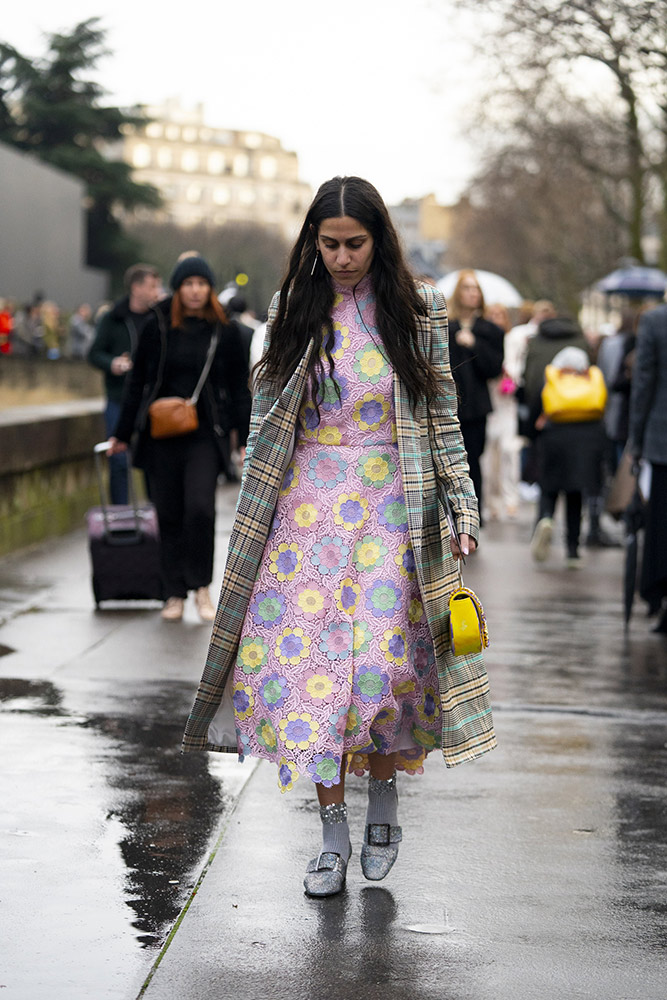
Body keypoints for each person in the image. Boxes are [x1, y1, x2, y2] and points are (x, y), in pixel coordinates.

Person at [181, 176, 496, 897]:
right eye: (329, 245)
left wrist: (461, 507)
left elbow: (442, 414)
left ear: (378, 240)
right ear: (312, 243)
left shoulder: (417, 309)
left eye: (355, 244)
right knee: (310, 671)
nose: (343, 258)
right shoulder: (294, 306)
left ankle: (382, 800)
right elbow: (267, 411)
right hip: (305, 511)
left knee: (381, 666)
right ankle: (330, 833)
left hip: (392, 502)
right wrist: (254, 492)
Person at [108, 255, 251, 623]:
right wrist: (122, 434)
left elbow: (238, 388)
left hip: (205, 435)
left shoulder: (226, 331)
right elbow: (137, 383)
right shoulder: (156, 325)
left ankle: (201, 587)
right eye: (188, 284)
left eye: (202, 284)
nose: (195, 291)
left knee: (200, 509)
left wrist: (244, 438)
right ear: (178, 287)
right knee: (168, 513)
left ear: (210, 289)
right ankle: (173, 592)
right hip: (160, 436)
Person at [88, 264, 161, 503]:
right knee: (118, 459)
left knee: (154, 461)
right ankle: (120, 515)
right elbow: (94, 353)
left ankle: (156, 516)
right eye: (152, 286)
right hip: (119, 398)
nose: (156, 291)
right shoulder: (113, 318)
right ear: (135, 287)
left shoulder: (159, 318)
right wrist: (113, 363)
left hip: (151, 403)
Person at [529, 346, 606, 568]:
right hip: (585, 441)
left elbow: (535, 410)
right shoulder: (590, 379)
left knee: (549, 489)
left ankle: (546, 518)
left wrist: (533, 434)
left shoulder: (552, 379)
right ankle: (572, 550)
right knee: (575, 496)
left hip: (555, 438)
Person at [446, 270, 504, 515]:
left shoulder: (490, 330)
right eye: (467, 288)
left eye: (476, 288)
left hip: (477, 406)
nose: (472, 293)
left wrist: (474, 345)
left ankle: (472, 514)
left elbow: (494, 369)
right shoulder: (446, 326)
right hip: (449, 405)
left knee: (473, 461)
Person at [628, 302, 667, 632]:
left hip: (662, 438)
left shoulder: (656, 321)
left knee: (661, 521)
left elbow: (644, 384)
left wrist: (636, 440)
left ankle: (659, 593)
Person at [482, 302, 521, 520]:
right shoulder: (485, 341)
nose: (496, 318)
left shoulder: (511, 340)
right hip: (491, 404)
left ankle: (511, 499)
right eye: (492, 314)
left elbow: (517, 369)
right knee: (489, 457)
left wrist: (509, 373)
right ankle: (492, 501)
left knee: (509, 451)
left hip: (507, 403)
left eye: (500, 314)